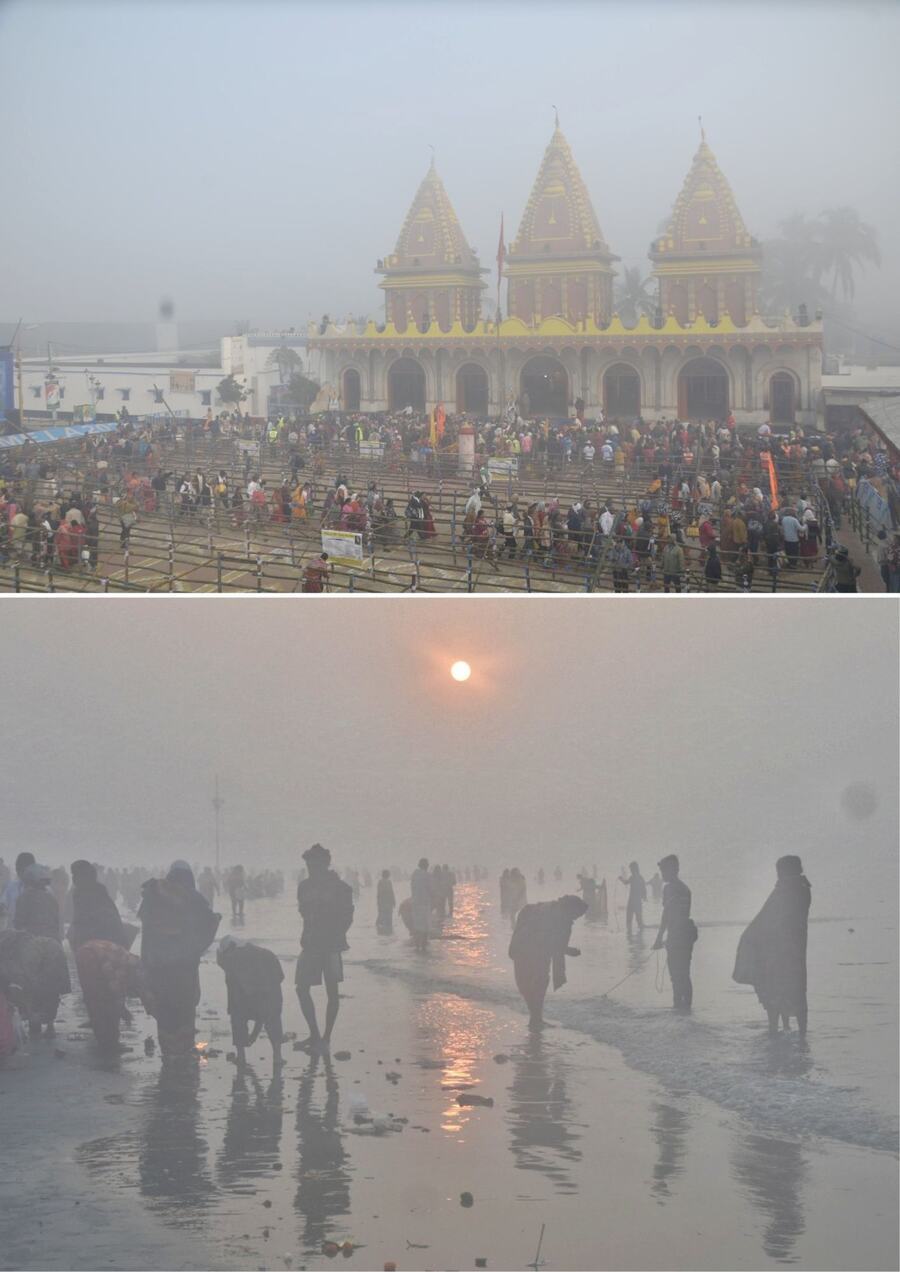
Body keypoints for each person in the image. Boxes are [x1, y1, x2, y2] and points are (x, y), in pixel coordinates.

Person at [138, 860, 221, 1057]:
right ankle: (183, 1051)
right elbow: (207, 925)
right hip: (184, 967)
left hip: (158, 966)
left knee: (164, 1009)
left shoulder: (153, 896)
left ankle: (168, 1053)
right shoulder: (192, 898)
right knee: (184, 1009)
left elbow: (147, 932)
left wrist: (147, 963)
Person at [733, 856, 811, 1036]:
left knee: (775, 988)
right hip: (795, 949)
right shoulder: (802, 888)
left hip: (779, 952)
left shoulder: (787, 890)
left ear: (786, 871)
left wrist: (749, 937)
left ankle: (776, 1029)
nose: (778, 875)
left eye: (779, 871)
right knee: (796, 989)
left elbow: (769, 918)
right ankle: (800, 1033)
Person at [295, 844, 354, 1053]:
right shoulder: (304, 887)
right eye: (309, 864)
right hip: (310, 943)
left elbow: (348, 915)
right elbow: (303, 911)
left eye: (314, 864)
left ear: (324, 864)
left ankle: (326, 1037)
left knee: (332, 992)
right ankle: (315, 1034)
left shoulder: (339, 887)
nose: (311, 868)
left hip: (331, 946)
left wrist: (335, 931)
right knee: (301, 988)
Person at [508, 895, 588, 1029]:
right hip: (531, 953)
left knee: (529, 986)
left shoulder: (539, 909)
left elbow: (551, 942)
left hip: (522, 950)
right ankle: (536, 1019)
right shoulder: (558, 919)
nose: (575, 918)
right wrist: (569, 951)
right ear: (570, 908)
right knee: (536, 985)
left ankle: (535, 1019)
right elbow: (550, 943)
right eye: (576, 915)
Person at [217, 934, 285, 1068]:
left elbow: (235, 1001)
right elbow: (279, 978)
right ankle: (277, 1056)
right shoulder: (267, 954)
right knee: (273, 1017)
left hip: (245, 999)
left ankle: (241, 1056)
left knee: (237, 1015)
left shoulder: (231, 960)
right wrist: (254, 1033)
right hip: (271, 996)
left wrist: (253, 1035)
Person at [75, 939, 147, 1053]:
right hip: (93, 957)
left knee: (93, 998)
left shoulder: (129, 961)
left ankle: (103, 1041)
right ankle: (110, 1044)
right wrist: (122, 1010)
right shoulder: (129, 967)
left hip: (85, 952)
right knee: (103, 1001)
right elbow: (117, 989)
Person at [652, 854, 697, 1011]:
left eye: (664, 870)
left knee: (679, 975)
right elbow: (672, 915)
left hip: (679, 936)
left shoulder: (674, 889)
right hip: (682, 935)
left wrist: (659, 939)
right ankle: (683, 1010)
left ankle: (681, 1009)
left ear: (673, 870)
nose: (662, 873)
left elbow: (667, 915)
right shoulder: (679, 889)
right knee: (681, 975)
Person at [68, 859, 127, 950]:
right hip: (97, 944)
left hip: (101, 944)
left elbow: (90, 922)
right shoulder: (87, 893)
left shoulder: (91, 894)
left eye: (75, 875)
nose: (73, 878)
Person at [14, 864, 61, 941]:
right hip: (51, 943)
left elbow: (18, 925)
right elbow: (56, 926)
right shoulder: (51, 898)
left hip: (30, 944)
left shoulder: (24, 898)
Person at [0, 851, 35, 930]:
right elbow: (2, 906)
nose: (21, 874)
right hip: (12, 934)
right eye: (19, 870)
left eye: (24, 871)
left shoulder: (44, 891)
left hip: (34, 937)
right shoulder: (11, 888)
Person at [410, 857, 432, 952]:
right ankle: (423, 946)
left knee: (417, 925)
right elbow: (430, 889)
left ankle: (417, 946)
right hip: (424, 903)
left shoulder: (414, 874)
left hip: (415, 902)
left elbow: (412, 887)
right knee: (425, 926)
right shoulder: (427, 875)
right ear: (426, 865)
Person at [618, 861, 647, 935]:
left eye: (631, 869)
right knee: (639, 920)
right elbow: (644, 889)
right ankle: (640, 935)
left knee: (629, 919)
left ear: (634, 869)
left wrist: (621, 879)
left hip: (632, 901)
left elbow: (625, 882)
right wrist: (644, 897)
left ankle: (629, 935)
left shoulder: (633, 877)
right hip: (637, 901)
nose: (631, 870)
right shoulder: (640, 878)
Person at [376, 869, 395, 934]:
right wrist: (393, 901)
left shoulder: (387, 882)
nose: (388, 875)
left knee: (384, 916)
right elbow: (380, 893)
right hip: (386, 903)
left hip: (385, 903)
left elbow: (391, 892)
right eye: (388, 874)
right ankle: (387, 932)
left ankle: (383, 931)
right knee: (385, 917)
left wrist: (393, 901)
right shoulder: (382, 882)